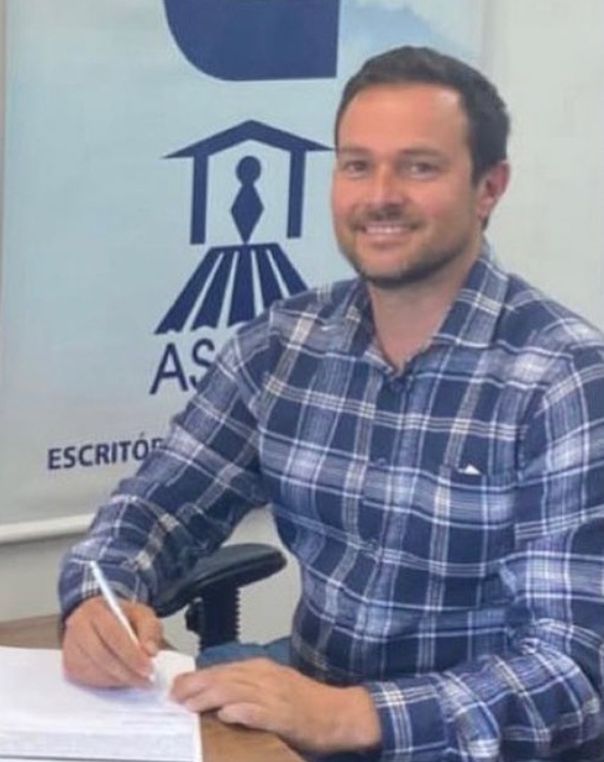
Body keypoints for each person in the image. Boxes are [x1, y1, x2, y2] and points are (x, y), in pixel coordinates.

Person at [59, 46, 604, 761]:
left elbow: (571, 671)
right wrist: (98, 597)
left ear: (488, 188)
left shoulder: (563, 378)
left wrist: (351, 715)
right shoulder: (283, 344)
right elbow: (156, 507)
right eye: (356, 165)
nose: (380, 195)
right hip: (305, 719)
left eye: (419, 167)